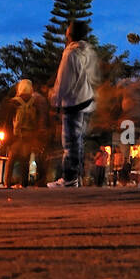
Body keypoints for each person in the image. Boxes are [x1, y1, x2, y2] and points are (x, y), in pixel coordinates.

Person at [47, 20, 100, 189]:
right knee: (78, 142)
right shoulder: (88, 52)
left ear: (69, 34)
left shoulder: (70, 54)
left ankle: (69, 179)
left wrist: (55, 99)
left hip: (74, 103)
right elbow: (94, 77)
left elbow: (64, 82)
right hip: (87, 101)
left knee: (70, 143)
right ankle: (76, 178)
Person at [7, 79, 49, 187]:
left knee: (11, 159)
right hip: (30, 136)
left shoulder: (14, 102)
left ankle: (7, 183)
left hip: (17, 135)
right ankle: (24, 184)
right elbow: (39, 119)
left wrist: (8, 138)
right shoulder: (35, 102)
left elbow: (8, 122)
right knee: (25, 160)